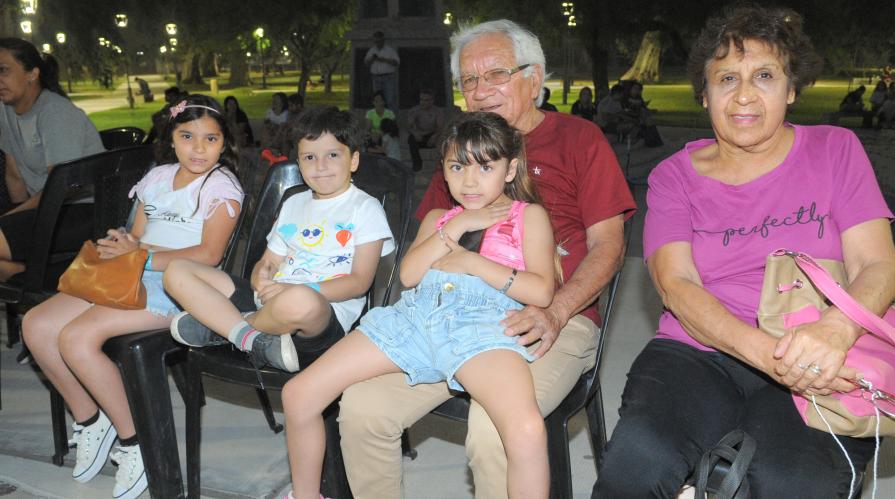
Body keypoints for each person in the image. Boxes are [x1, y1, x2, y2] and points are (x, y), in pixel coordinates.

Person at [592, 6, 895, 498]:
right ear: (704, 93)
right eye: (726, 77)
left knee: (794, 482)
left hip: (818, 346)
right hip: (699, 352)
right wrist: (768, 354)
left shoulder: (835, 151)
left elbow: (878, 264)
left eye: (763, 75)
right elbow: (677, 285)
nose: (744, 95)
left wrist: (835, 331)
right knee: (636, 464)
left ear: (791, 89)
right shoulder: (673, 177)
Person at [338, 19, 635, 499]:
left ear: (534, 79)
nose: (480, 90)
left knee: (494, 430)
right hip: (449, 315)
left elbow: (609, 245)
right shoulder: (461, 154)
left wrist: (557, 312)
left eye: (495, 74)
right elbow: (421, 251)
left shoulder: (579, 139)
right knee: (361, 409)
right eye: (469, 80)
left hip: (547, 314)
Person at [283, 111, 558, 499]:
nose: (470, 179)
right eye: (458, 166)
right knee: (298, 394)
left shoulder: (528, 216)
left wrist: (473, 263)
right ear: (443, 170)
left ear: (510, 169)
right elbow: (409, 275)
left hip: (481, 327)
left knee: (525, 428)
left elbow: (542, 291)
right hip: (412, 320)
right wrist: (460, 225)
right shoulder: (438, 218)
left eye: (486, 166)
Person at [21, 95, 244, 499]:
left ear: (224, 144)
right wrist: (123, 244)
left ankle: (135, 441)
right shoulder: (157, 178)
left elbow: (208, 254)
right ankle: (91, 418)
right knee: (36, 324)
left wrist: (140, 255)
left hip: (180, 285)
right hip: (132, 271)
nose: (198, 148)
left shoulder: (221, 188)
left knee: (76, 337)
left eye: (211, 139)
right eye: (187, 136)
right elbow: (138, 234)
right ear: (171, 138)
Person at [164, 108, 394, 373]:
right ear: (299, 162)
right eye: (310, 157)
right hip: (270, 299)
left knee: (300, 300)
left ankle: (226, 325)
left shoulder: (365, 207)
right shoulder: (294, 203)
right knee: (177, 270)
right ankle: (248, 337)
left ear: (353, 160)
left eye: (332, 155)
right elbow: (269, 262)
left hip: (317, 317)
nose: (321, 166)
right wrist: (260, 276)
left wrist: (299, 289)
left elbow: (358, 283)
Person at [0, 38, 104, 283]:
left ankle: (44, 281)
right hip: (46, 207)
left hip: (83, 210)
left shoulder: (56, 114)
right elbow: (14, 175)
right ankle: (39, 279)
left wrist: (10, 220)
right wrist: (15, 215)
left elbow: (62, 188)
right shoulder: (4, 111)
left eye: (3, 70)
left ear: (32, 74)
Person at [406, 88, 444, 171]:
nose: (423, 102)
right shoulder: (414, 110)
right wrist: (415, 133)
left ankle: (441, 164)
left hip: (432, 136)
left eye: (426, 100)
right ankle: (417, 164)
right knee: (411, 139)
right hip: (419, 136)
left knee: (442, 139)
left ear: (432, 101)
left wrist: (435, 136)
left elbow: (440, 127)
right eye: (421, 100)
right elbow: (408, 126)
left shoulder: (437, 111)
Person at [364, 31, 400, 110]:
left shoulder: (390, 50)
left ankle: (391, 120)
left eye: (379, 41)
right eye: (375, 41)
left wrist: (383, 60)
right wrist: (372, 59)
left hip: (388, 78)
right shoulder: (372, 50)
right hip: (376, 78)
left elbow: (396, 62)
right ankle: (379, 121)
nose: (377, 43)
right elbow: (366, 63)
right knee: (377, 100)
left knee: (390, 100)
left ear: (383, 40)